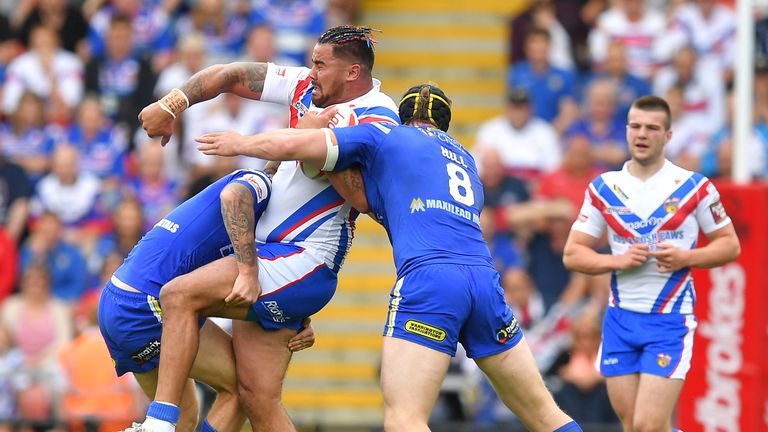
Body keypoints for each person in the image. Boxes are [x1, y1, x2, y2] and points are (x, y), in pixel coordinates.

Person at [196, 84, 582, 432]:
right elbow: (373, 200)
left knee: (404, 419)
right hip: (484, 282)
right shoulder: (466, 161)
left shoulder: (388, 134)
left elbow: (307, 149)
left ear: (402, 115)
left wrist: (240, 143)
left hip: (430, 281)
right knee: (547, 417)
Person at [138, 25, 399, 432]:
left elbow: (363, 200)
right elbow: (230, 74)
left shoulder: (378, 116)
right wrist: (173, 103)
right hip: (269, 254)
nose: (310, 72)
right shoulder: (309, 89)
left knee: (177, 296)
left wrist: (291, 142)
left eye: (320, 64)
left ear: (352, 73)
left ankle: (158, 423)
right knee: (256, 399)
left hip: (302, 259)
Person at [561, 95, 740, 431]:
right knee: (632, 425)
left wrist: (687, 257)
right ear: (627, 130)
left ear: (668, 135)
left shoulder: (693, 188)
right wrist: (618, 261)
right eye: (635, 126)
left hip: (669, 321)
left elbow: (730, 245)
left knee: (647, 424)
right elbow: (573, 254)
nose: (642, 134)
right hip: (619, 320)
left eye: (652, 128)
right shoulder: (604, 188)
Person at [99, 167, 315, 432]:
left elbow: (268, 283)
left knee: (183, 419)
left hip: (119, 302)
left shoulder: (269, 229)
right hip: (145, 305)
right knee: (243, 388)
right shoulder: (259, 185)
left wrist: (294, 316)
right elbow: (233, 196)